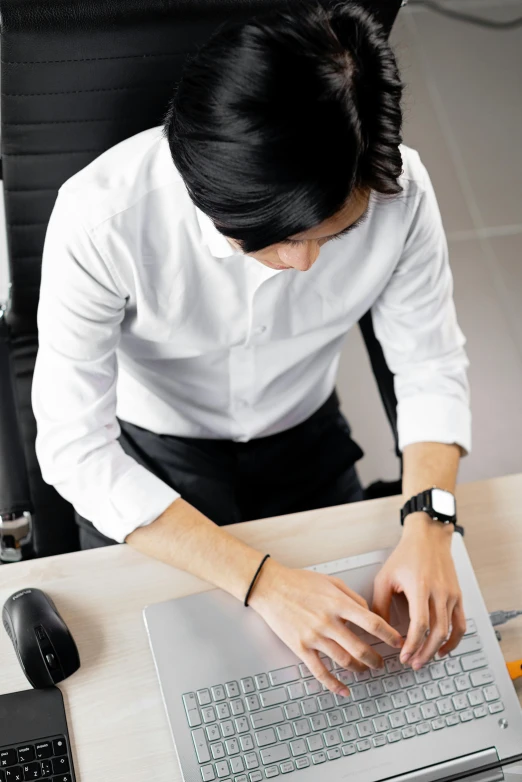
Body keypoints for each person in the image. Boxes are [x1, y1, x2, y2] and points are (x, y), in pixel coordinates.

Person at [33, 1, 471, 696]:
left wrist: (431, 520)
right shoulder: (101, 216)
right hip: (154, 454)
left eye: (333, 236)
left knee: (371, 669)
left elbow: (430, 365)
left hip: (304, 433)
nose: (302, 265)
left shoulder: (400, 193)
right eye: (273, 240)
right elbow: (72, 447)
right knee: (168, 690)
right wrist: (262, 581)